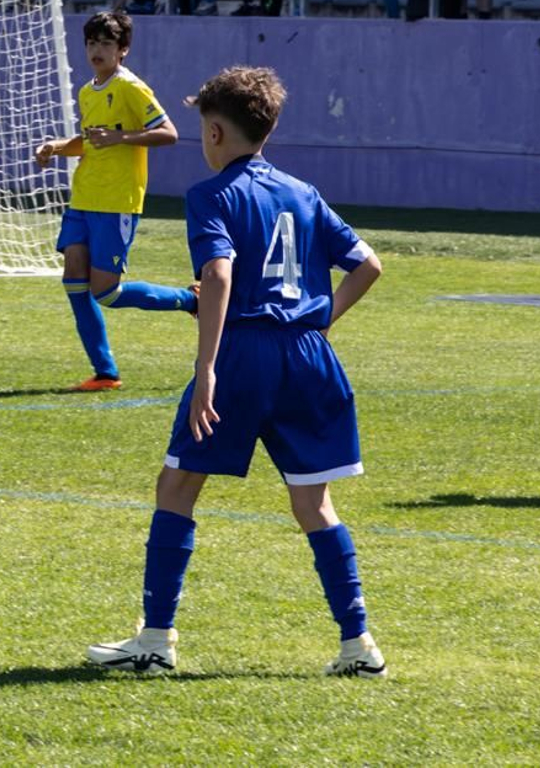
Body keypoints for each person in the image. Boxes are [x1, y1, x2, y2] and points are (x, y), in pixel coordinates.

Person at [85, 65, 387, 680]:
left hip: (245, 352)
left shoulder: (211, 195)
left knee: (178, 488)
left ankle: (155, 638)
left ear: (216, 133)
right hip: (308, 355)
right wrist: (319, 321)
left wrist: (207, 369)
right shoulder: (302, 192)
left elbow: (218, 275)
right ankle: (359, 646)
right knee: (313, 504)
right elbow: (368, 265)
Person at [33, 11, 196, 391]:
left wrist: (121, 139)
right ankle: (105, 372)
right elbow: (91, 140)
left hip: (116, 201)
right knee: (74, 274)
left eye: (106, 43)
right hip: (84, 196)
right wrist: (56, 148)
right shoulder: (88, 91)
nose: (97, 50)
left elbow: (168, 133)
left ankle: (190, 301)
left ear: (122, 50)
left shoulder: (131, 88)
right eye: (92, 43)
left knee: (106, 292)